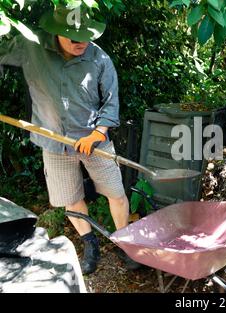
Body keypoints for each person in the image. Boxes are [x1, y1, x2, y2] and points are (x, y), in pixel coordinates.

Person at [0, 4, 139, 275]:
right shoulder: (30, 47)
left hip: (95, 143)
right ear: (57, 33)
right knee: (70, 198)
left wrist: (97, 133)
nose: (81, 43)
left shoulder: (100, 60)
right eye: (74, 38)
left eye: (86, 36)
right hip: (53, 143)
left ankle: (124, 243)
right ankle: (90, 244)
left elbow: (111, 105)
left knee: (117, 194)